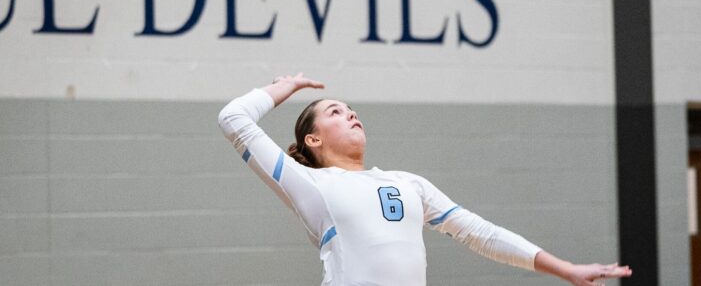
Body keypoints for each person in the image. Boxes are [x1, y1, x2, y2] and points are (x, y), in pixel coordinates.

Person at [218, 73, 632, 286]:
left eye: (351, 109)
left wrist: (565, 270)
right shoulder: (311, 184)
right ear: (313, 138)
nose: (350, 114)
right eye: (335, 112)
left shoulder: (408, 183)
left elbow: (479, 233)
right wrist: (283, 87)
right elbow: (234, 119)